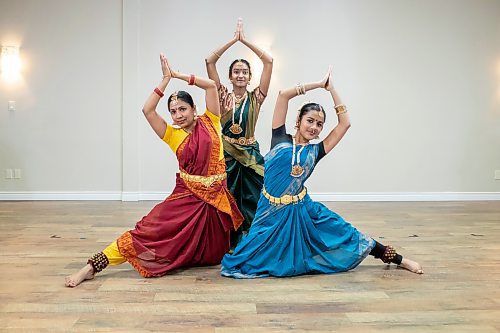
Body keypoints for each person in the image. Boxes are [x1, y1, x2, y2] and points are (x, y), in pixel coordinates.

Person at [221, 67, 423, 278]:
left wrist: (332, 90)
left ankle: (397, 258)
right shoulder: (279, 138)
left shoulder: (316, 151)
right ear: (299, 120)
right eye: (310, 121)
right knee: (244, 260)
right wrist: (318, 84)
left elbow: (345, 124)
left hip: (301, 208)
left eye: (319, 124)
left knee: (344, 231)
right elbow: (283, 95)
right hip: (268, 211)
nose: (315, 127)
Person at [65, 54, 243, 287]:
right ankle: (92, 266)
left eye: (183, 109)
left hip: (216, 201)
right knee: (147, 231)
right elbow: (147, 110)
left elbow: (210, 85)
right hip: (187, 197)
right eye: (173, 111)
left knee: (212, 253)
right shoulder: (171, 134)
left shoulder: (211, 120)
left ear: (194, 108)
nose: (178, 115)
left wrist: (179, 75)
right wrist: (165, 80)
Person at [205, 18, 273, 247]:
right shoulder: (221, 94)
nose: (241, 75)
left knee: (255, 197)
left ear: (250, 77)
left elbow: (269, 62)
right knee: (229, 198)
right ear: (230, 76)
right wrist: (233, 41)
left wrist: (245, 41)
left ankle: (254, 240)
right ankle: (229, 242)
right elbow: (209, 61)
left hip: (251, 154)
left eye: (245, 72)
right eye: (236, 72)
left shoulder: (256, 98)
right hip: (227, 155)